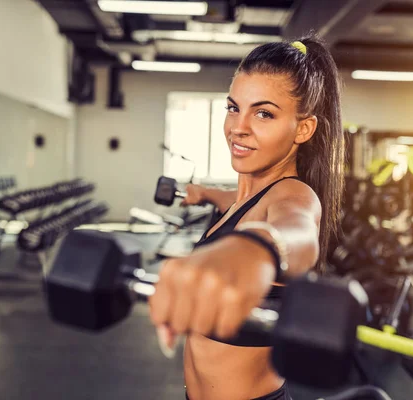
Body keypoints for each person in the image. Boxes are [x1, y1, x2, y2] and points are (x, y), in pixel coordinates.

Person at [148, 34, 345, 400]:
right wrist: (203, 193)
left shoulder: (294, 195)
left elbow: (298, 232)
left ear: (302, 128)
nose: (239, 127)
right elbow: (235, 202)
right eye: (233, 107)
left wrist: (255, 250)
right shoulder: (247, 196)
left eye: (264, 113)